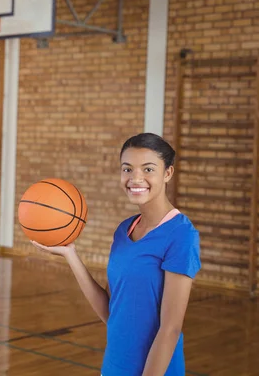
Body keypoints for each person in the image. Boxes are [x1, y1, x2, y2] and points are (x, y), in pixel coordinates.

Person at [31, 133, 201, 376]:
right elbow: (111, 312)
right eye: (127, 169)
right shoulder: (124, 230)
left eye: (148, 169)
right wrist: (71, 254)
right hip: (113, 367)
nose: (135, 178)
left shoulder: (181, 235)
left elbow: (170, 329)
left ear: (167, 174)